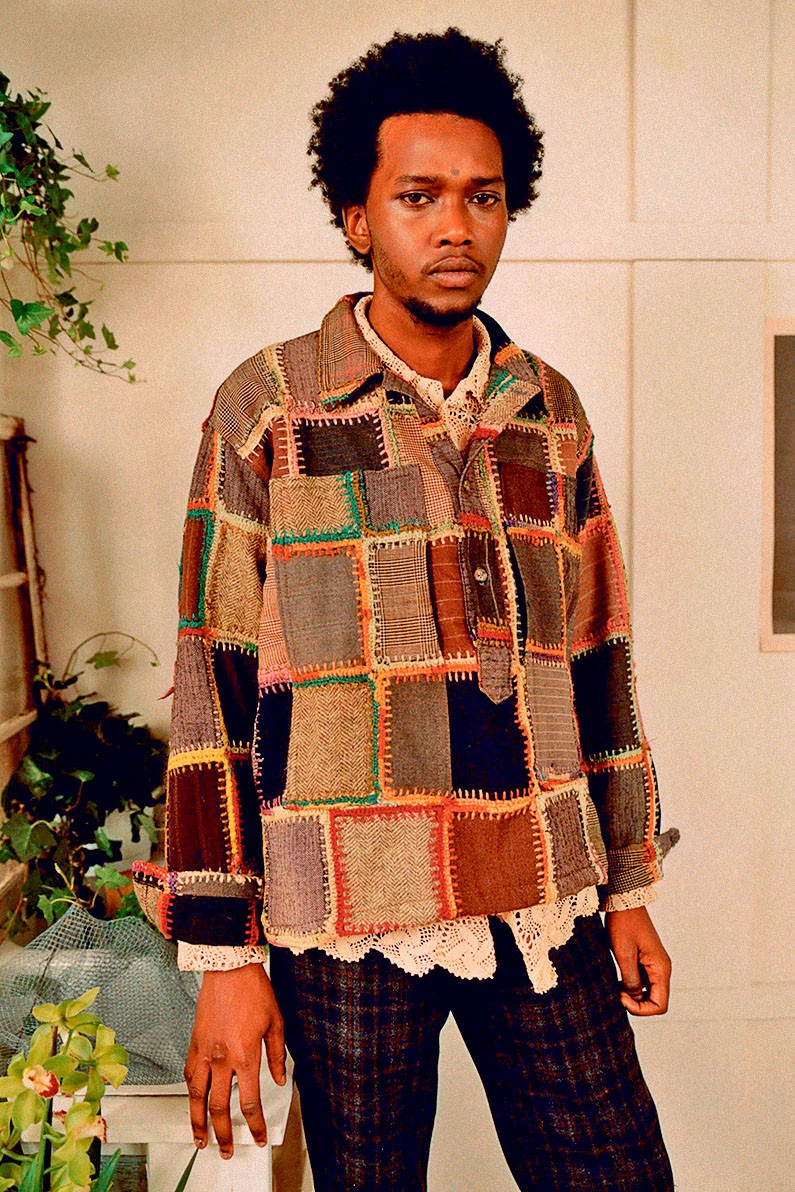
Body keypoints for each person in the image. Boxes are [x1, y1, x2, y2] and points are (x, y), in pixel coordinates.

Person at [132, 27, 680, 1191]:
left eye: (483, 196)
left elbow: (599, 658)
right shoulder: (270, 408)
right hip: (344, 910)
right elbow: (213, 683)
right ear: (356, 215)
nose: (456, 227)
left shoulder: (546, 409)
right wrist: (223, 955)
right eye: (418, 196)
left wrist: (628, 884)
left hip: (540, 883)